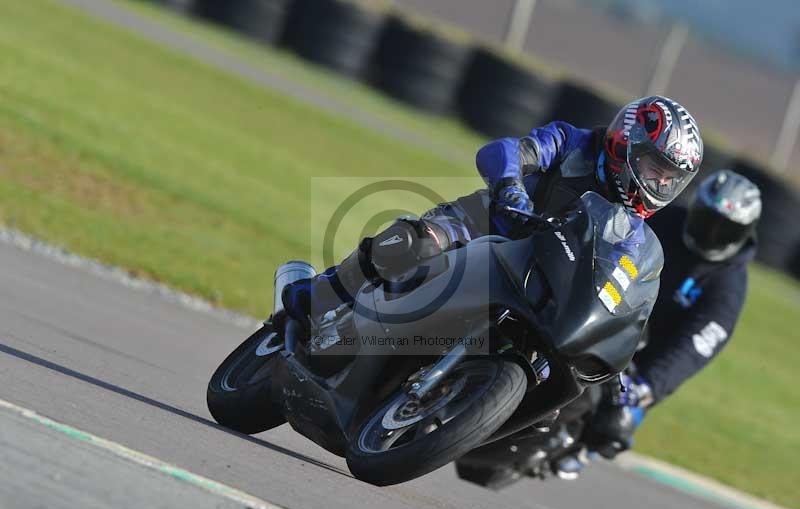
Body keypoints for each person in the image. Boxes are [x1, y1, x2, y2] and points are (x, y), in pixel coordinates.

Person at [281, 96, 704, 327]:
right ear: (625, 144)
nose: (660, 184)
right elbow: (503, 152)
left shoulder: (633, 228)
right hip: (487, 223)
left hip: (541, 276)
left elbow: (625, 279)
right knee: (414, 244)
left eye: (671, 179)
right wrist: (512, 193)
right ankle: (319, 294)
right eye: (655, 168)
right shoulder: (573, 142)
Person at [559, 170, 762, 475]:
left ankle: (581, 449)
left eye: (725, 229)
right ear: (694, 209)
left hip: (638, 364)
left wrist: (648, 385)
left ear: (743, 233)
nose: (711, 233)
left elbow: (695, 346)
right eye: (707, 219)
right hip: (604, 314)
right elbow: (611, 238)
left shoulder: (728, 285)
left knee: (615, 427)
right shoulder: (665, 221)